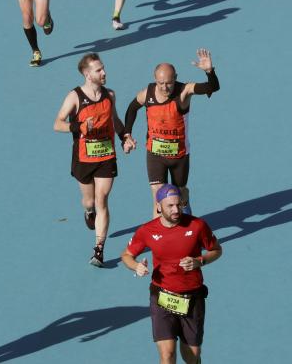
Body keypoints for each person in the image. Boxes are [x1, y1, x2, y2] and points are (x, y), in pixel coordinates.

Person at [121, 184, 223, 364]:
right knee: (167, 355)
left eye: (179, 205)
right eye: (170, 206)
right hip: (162, 296)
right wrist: (136, 266)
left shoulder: (197, 225)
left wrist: (200, 261)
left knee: (192, 356)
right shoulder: (147, 230)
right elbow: (127, 255)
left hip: (193, 297)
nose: (176, 210)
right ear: (158, 207)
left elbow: (216, 250)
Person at [54, 52, 135, 266]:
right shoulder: (75, 97)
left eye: (103, 68)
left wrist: (124, 137)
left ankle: (99, 249)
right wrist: (78, 127)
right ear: (87, 74)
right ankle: (88, 211)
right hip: (83, 158)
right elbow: (58, 123)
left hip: (106, 156)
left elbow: (115, 120)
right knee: (90, 201)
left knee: (102, 199)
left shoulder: (110, 95)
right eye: (99, 70)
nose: (104, 72)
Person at [124, 48, 220, 217]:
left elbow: (213, 87)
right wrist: (127, 134)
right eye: (160, 83)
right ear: (155, 79)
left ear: (175, 78)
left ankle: (185, 202)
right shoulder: (148, 93)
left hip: (179, 155)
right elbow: (132, 109)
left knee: (179, 194)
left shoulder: (184, 91)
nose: (164, 87)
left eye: (169, 83)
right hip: (155, 153)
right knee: (158, 197)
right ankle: (158, 240)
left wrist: (209, 72)